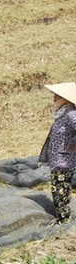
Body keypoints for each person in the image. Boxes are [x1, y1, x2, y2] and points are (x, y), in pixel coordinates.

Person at [39, 82, 76, 224]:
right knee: (61, 190)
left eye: (57, 96)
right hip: (58, 158)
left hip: (64, 160)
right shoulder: (63, 113)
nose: (54, 98)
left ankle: (64, 221)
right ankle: (64, 217)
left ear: (65, 99)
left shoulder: (71, 114)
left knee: (60, 191)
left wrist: (72, 146)